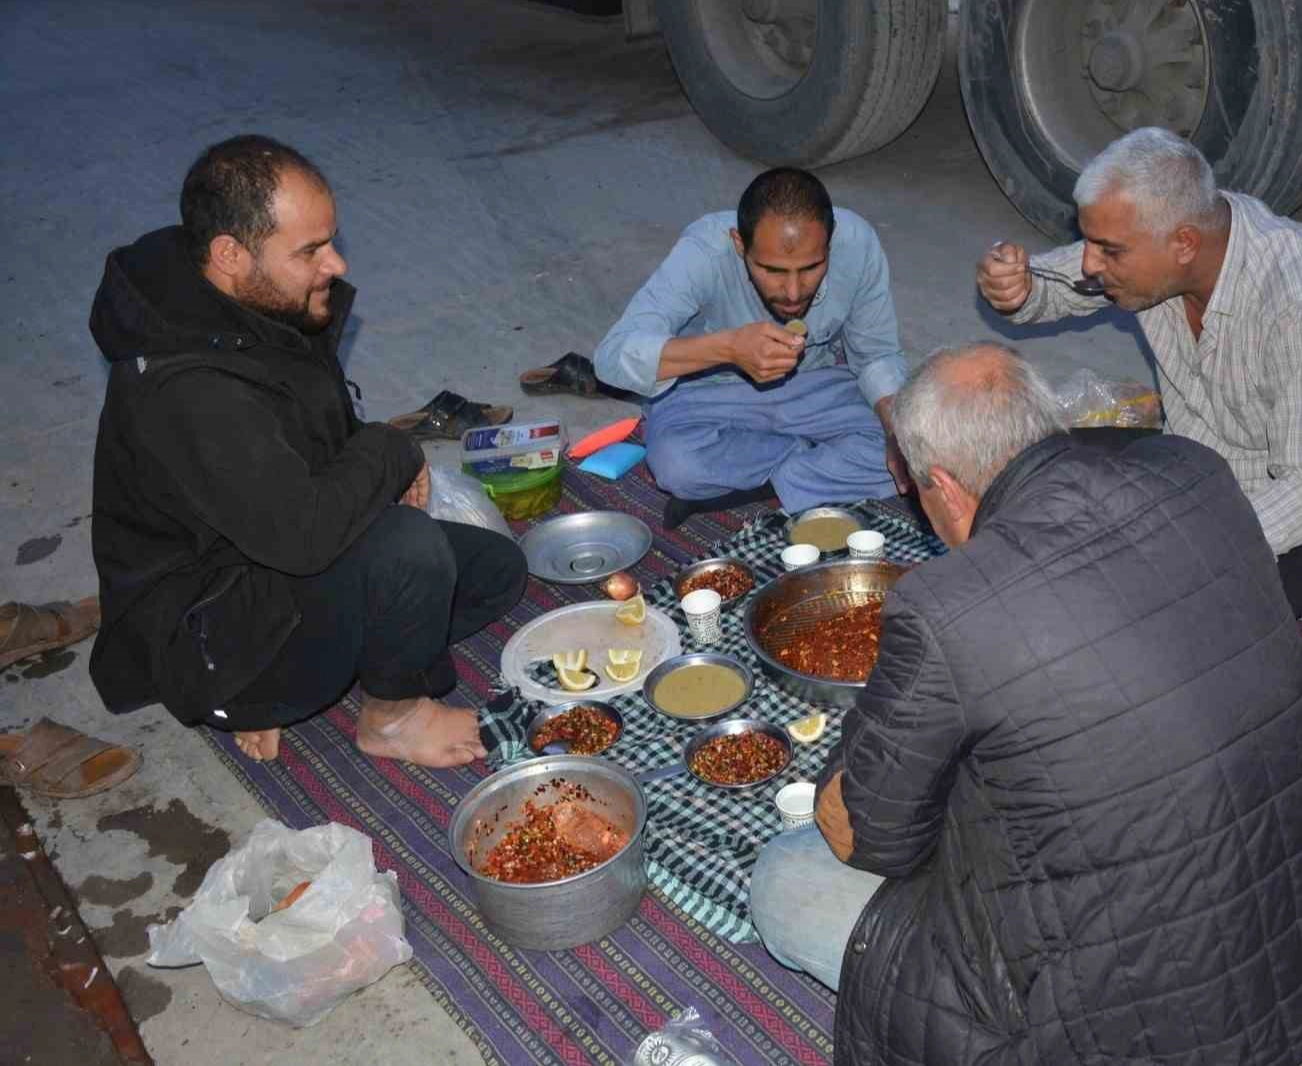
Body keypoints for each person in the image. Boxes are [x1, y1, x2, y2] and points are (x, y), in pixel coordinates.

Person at [750, 343, 1302, 1065]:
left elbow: (876, 840)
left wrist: (862, 754)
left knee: (788, 875)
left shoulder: (948, 607)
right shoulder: (1194, 471)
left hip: (1135, 1029)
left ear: (942, 484)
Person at [87, 135, 525, 767]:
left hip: (268, 554)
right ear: (229, 254)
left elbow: (316, 456)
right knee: (406, 547)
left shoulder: (243, 301)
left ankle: (302, 687)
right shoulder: (187, 390)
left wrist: (369, 462)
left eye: (331, 241)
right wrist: (392, 449)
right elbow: (306, 536)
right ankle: (387, 717)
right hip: (207, 629)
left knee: (492, 571)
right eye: (312, 251)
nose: (338, 266)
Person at [977, 127, 1302, 618]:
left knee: (1145, 610)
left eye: (1109, 251)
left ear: (1184, 244)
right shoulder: (1166, 236)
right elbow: (1050, 287)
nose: (1090, 264)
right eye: (1089, 243)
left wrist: (1180, 543)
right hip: (1197, 470)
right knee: (1021, 465)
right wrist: (1019, 287)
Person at [593, 167, 909, 528]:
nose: (793, 292)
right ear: (739, 244)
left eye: (811, 267)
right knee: (676, 466)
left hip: (814, 384)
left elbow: (876, 355)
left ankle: (771, 480)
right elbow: (611, 358)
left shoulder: (858, 243)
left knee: (921, 447)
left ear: (830, 244)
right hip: (709, 392)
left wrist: (897, 433)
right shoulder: (704, 251)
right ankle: (813, 468)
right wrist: (728, 348)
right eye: (773, 271)